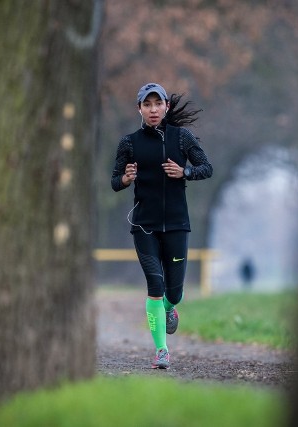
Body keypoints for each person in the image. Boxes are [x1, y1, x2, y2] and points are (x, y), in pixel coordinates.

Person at [110, 83, 213, 369]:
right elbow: (115, 181)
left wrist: (185, 171)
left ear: (166, 106)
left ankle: (170, 309)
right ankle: (162, 352)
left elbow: (207, 168)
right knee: (155, 284)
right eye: (147, 104)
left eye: (158, 104)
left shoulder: (182, 138)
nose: (153, 109)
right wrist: (126, 179)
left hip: (178, 225)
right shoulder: (129, 143)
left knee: (174, 293)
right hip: (144, 225)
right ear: (139, 109)